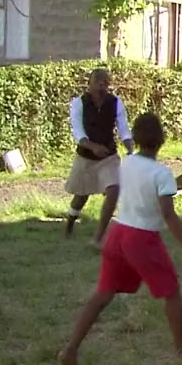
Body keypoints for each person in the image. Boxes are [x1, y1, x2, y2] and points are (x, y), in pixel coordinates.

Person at [59, 112, 182, 365]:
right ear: (161, 139)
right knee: (171, 293)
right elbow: (168, 213)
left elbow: (141, 184)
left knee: (103, 294)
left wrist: (172, 184)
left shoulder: (126, 164)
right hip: (143, 239)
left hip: (118, 234)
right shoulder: (161, 173)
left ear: (135, 138)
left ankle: (71, 348)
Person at [65, 68, 134, 248]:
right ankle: (70, 222)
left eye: (105, 82)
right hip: (86, 157)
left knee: (113, 191)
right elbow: (78, 132)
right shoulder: (79, 103)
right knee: (81, 197)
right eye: (98, 81)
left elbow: (123, 128)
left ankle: (98, 237)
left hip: (108, 157)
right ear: (89, 84)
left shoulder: (116, 103)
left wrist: (129, 145)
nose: (102, 85)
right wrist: (92, 147)